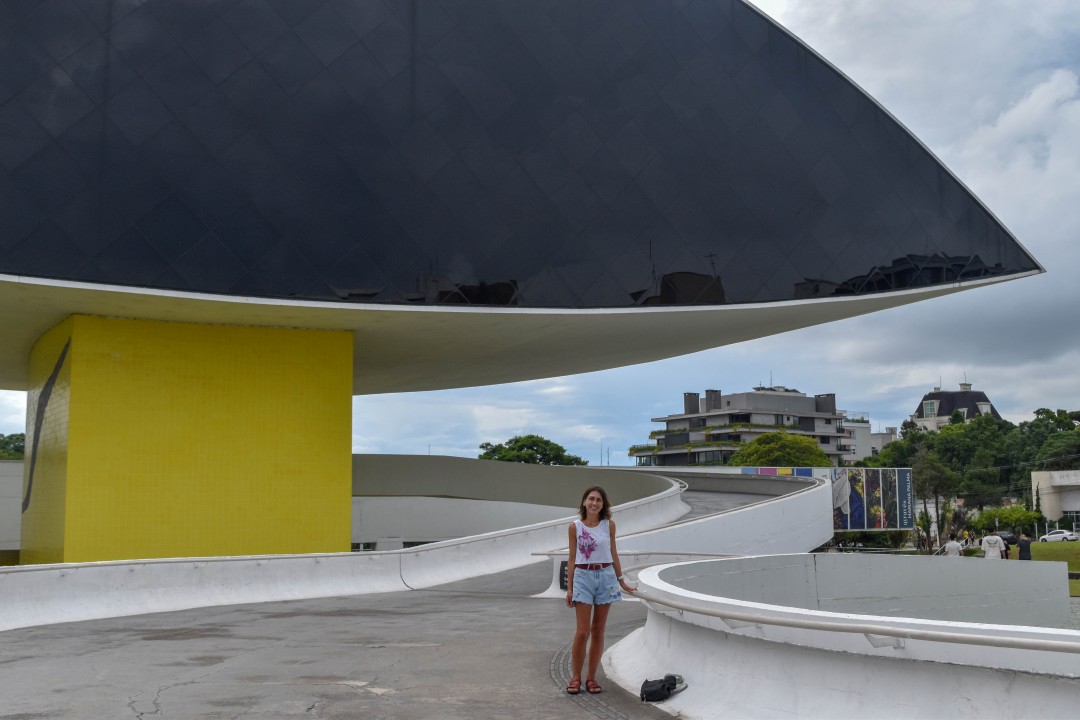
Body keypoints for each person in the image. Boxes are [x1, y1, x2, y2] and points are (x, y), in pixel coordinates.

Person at [565, 486, 636, 695]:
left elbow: (613, 552)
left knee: (598, 630)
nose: (594, 503)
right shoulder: (574, 527)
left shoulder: (609, 525)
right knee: (582, 632)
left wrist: (621, 580)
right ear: (584, 502)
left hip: (605, 576)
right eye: (591, 499)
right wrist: (569, 588)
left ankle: (591, 678)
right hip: (583, 577)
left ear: (603, 504)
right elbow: (571, 558)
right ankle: (576, 677)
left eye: (599, 500)